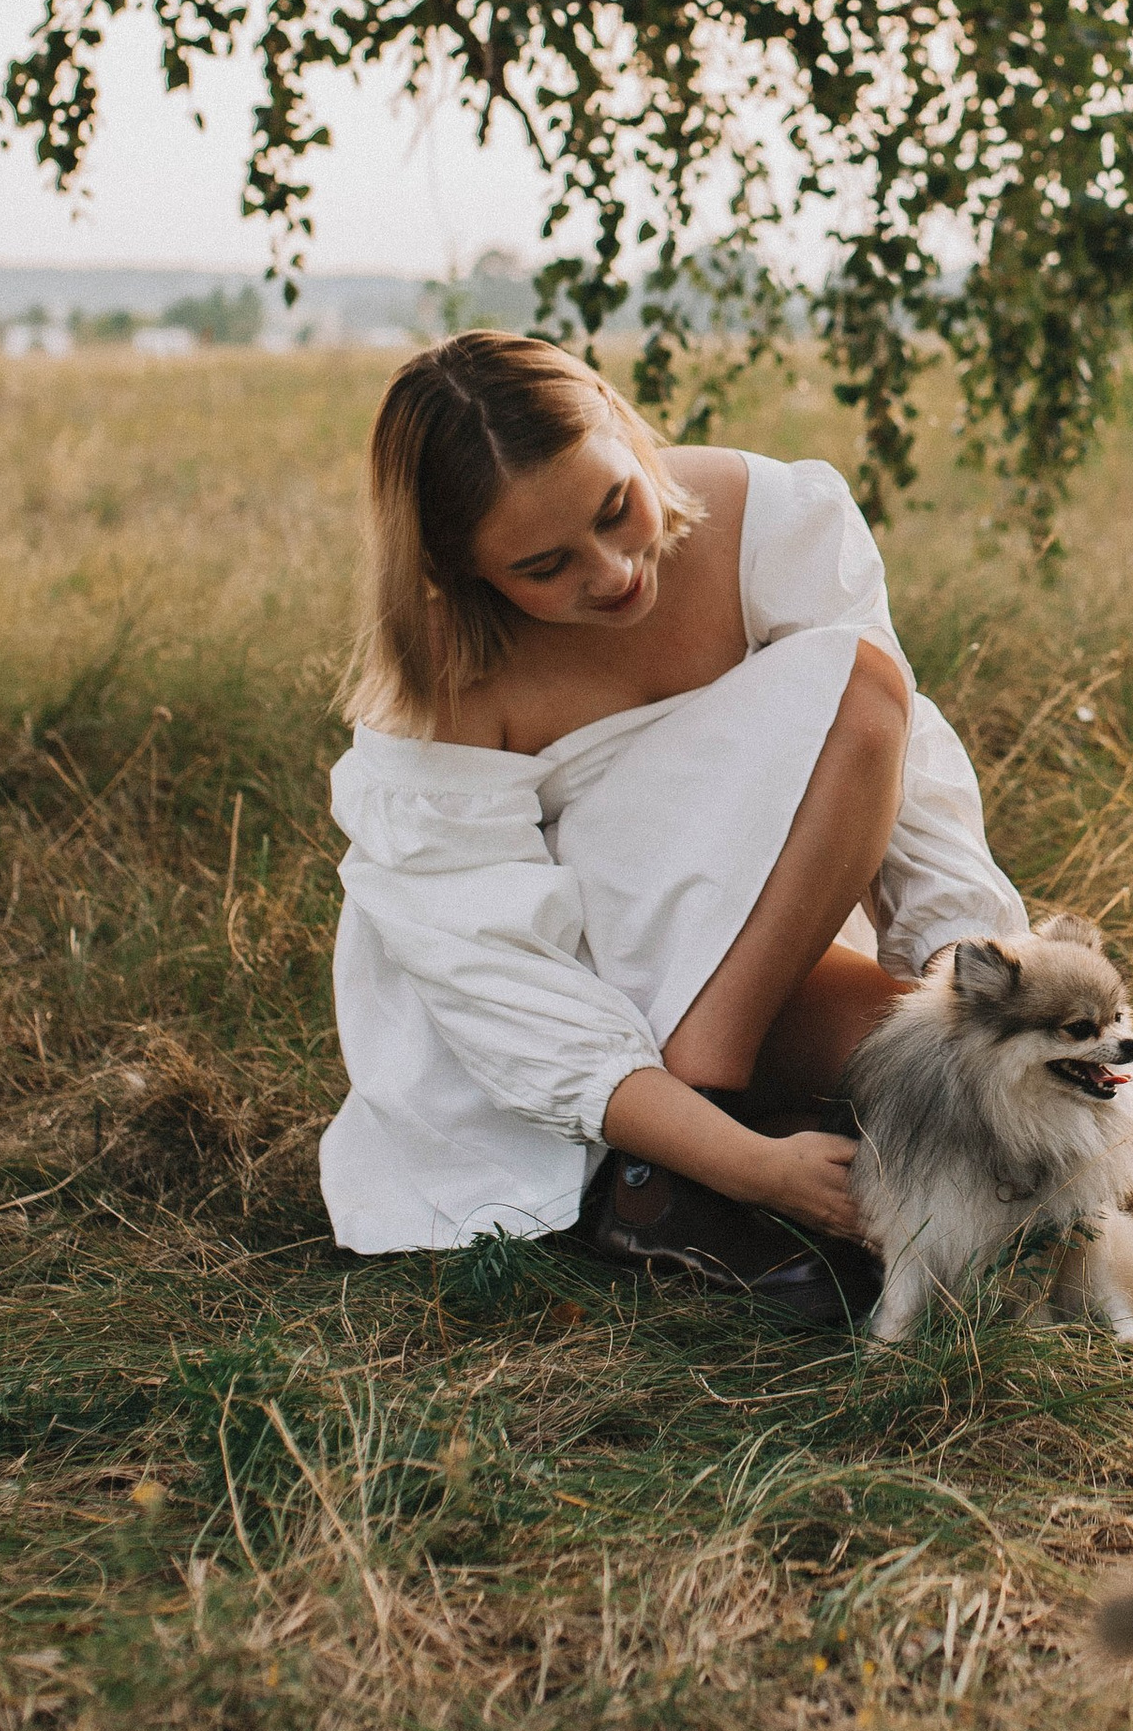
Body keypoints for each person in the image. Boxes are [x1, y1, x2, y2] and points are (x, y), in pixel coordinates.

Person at [320, 332, 1027, 1318]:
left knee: (998, 1091)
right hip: (557, 1000)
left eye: (618, 508)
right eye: (543, 565)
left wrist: (970, 969)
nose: (612, 572)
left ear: (625, 425)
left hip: (733, 945)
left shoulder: (769, 521)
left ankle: (714, 1126)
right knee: (859, 686)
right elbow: (502, 988)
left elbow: (902, 764)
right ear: (459, 569)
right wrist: (748, 1169)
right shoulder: (440, 682)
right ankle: (680, 1148)